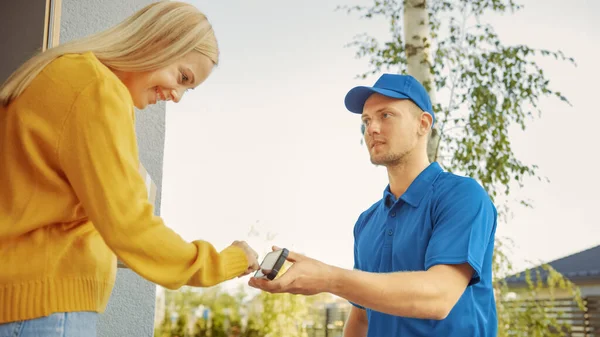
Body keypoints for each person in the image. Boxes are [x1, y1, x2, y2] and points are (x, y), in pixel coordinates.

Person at [0, 1, 259, 335]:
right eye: (182, 77)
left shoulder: (65, 72)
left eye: (187, 89)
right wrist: (227, 262)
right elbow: (130, 226)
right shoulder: (96, 90)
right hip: (44, 309)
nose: (177, 96)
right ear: (160, 41)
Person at [249, 74, 498, 336]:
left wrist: (329, 278)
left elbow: (438, 297)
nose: (372, 128)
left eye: (386, 115)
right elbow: (362, 319)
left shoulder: (462, 196)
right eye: (366, 120)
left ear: (423, 124)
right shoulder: (367, 222)